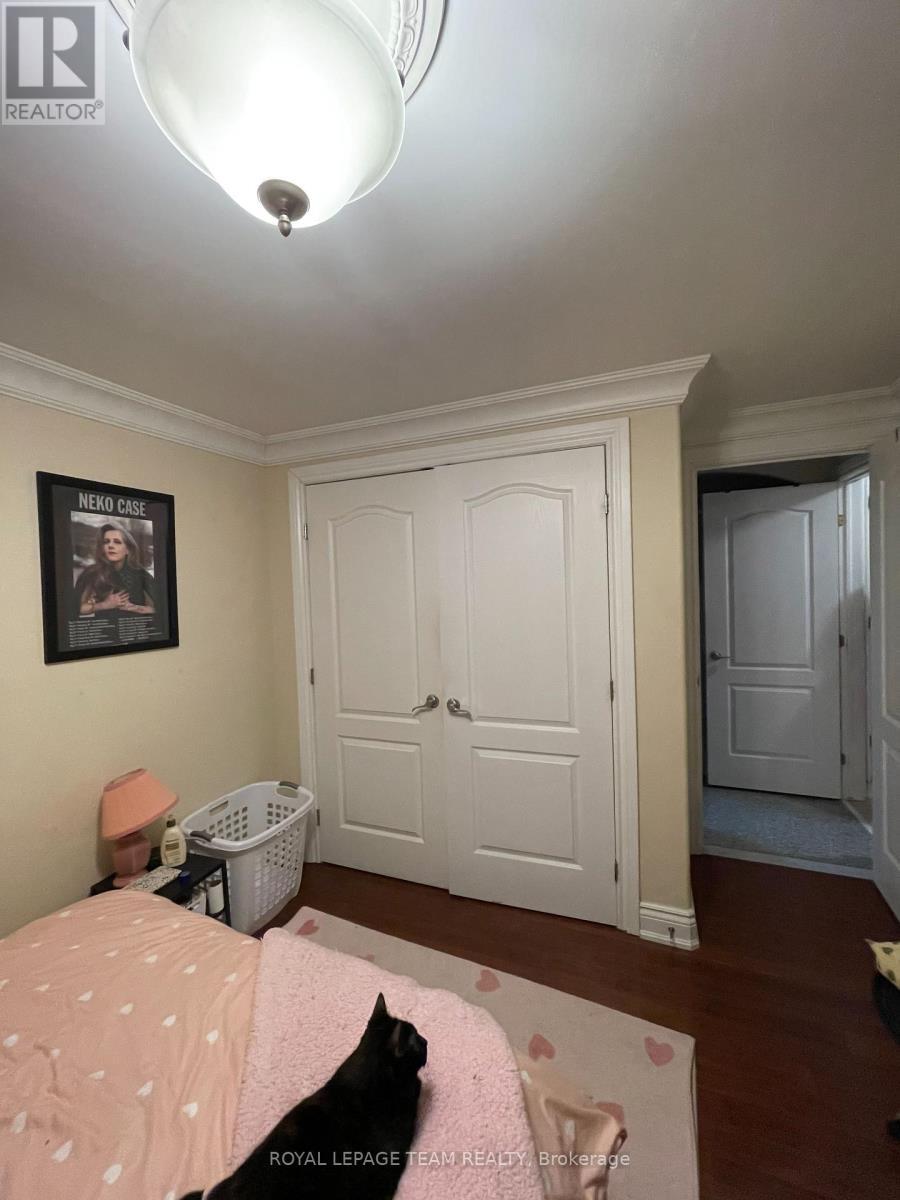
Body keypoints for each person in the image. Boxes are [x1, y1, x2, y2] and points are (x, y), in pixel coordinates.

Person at [74, 523, 157, 617]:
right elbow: (75, 608)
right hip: (104, 629)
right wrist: (104, 605)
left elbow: (161, 606)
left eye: (117, 542)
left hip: (133, 629)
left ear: (128, 550)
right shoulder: (92, 572)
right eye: (106, 542)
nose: (110, 546)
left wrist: (137, 608)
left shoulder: (141, 574)